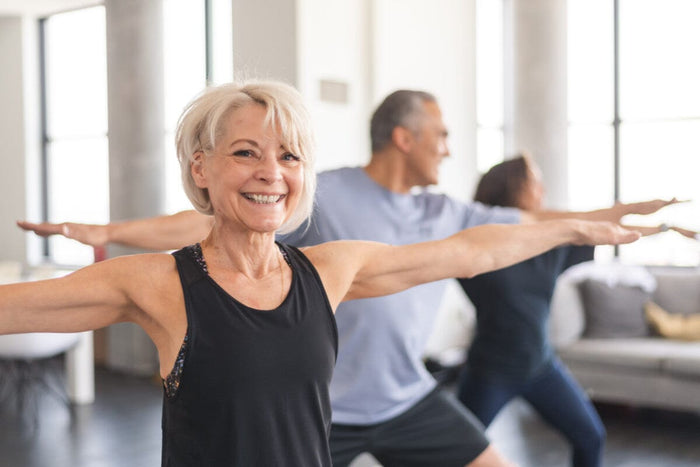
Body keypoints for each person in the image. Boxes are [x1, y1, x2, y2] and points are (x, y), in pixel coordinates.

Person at [16, 90, 675, 467]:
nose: (271, 170)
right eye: (245, 152)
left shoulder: (330, 266)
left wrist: (575, 228)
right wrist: (107, 232)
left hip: (403, 398)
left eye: (289, 155)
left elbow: (469, 249)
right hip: (343, 410)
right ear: (201, 169)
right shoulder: (159, 283)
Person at [455, 154, 696, 467]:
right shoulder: (478, 245)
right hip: (490, 371)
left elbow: (602, 227)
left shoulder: (551, 243)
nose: (542, 189)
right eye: (534, 181)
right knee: (455, 451)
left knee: (591, 437)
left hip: (541, 367)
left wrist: (666, 227)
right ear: (513, 187)